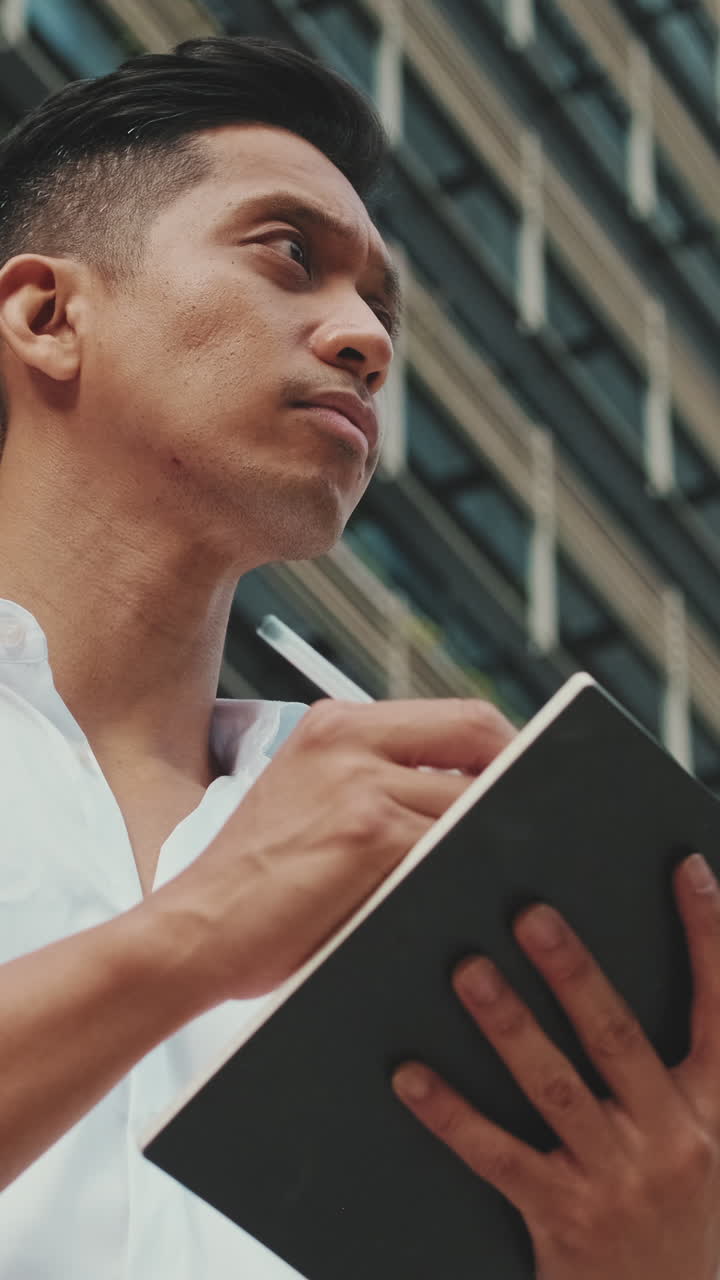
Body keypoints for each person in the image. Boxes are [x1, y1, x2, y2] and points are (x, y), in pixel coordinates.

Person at [0, 33, 718, 1280]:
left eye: (381, 312)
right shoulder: (308, 847)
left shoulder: (416, 844)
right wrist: (198, 934)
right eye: (290, 256)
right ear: (47, 314)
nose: (365, 342)